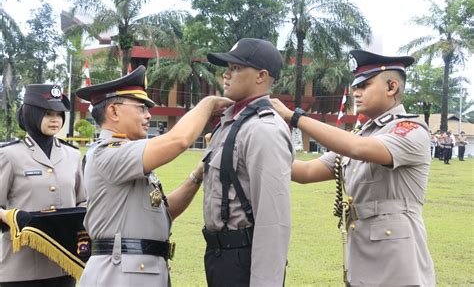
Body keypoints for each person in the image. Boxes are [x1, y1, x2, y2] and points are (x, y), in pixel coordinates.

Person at [271, 50, 436, 286]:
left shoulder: (411, 129)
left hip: (397, 259)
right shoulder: (359, 136)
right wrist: (255, 152)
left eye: (365, 85)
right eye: (355, 86)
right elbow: (305, 172)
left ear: (391, 87)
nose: (356, 93)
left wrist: (293, 117)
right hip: (360, 252)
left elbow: (358, 149)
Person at [75, 65, 233, 287]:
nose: (148, 115)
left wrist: (198, 174)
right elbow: (177, 141)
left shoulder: (127, 154)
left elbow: (164, 214)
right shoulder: (108, 152)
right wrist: (207, 104)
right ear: (114, 111)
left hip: (139, 271)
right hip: (120, 275)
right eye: (141, 108)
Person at [201, 38, 294, 286]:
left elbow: (273, 219)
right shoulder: (231, 122)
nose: (226, 75)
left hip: (243, 257)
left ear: (261, 76)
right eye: (227, 68)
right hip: (220, 256)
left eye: (236, 68)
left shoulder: (264, 129)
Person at [0, 84, 86, 287]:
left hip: (63, 262)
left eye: (58, 114)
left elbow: (83, 200)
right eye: (47, 113)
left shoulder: (72, 155)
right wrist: (14, 217)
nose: (55, 119)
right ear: (31, 113)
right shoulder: (9, 155)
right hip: (19, 267)